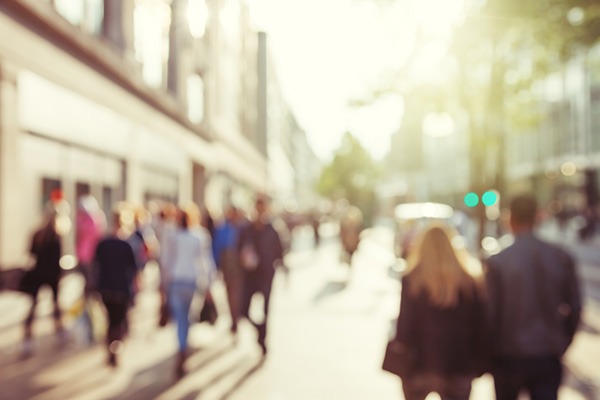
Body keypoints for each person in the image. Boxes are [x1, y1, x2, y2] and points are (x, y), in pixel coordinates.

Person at [485, 194, 582, 400]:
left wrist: (488, 352)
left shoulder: (498, 262)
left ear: (510, 219)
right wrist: (562, 340)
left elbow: (490, 314)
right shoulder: (560, 257)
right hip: (547, 352)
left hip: (508, 355)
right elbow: (575, 306)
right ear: (537, 217)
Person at [391, 224, 487, 400]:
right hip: (459, 363)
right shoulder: (470, 280)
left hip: (420, 363)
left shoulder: (412, 279)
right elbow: (480, 325)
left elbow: (404, 326)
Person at [162, 206, 216, 378]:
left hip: (177, 281)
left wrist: (163, 283)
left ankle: (182, 346)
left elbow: (166, 261)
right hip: (191, 280)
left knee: (181, 318)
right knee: (188, 317)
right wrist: (209, 284)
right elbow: (206, 261)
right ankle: (183, 346)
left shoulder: (173, 236)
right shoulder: (199, 236)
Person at [237, 196, 284, 356]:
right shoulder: (247, 228)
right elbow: (238, 249)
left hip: (266, 274)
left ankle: (263, 339)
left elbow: (281, 250)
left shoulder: (273, 228)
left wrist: (277, 264)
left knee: (265, 310)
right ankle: (259, 329)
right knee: (243, 310)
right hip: (250, 275)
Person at [94, 211, 138, 367]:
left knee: (110, 320)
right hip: (121, 288)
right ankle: (116, 346)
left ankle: (111, 347)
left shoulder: (103, 243)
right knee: (118, 322)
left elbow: (95, 265)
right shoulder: (127, 245)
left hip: (105, 288)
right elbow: (134, 269)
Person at [22, 207, 66, 356]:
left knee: (34, 306)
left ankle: (27, 340)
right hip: (51, 276)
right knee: (55, 306)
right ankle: (60, 334)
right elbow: (57, 259)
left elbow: (31, 254)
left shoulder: (37, 234)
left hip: (38, 274)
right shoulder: (56, 236)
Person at [212, 205, 244, 333]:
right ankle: (234, 318)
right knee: (230, 293)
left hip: (239, 266)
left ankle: (237, 316)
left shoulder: (243, 228)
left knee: (238, 293)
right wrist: (216, 265)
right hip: (227, 265)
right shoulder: (222, 228)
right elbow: (217, 247)